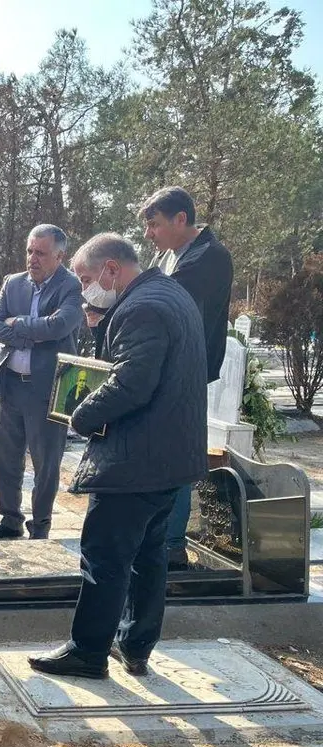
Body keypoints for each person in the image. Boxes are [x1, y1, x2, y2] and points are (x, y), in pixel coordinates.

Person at [28, 233, 206, 679]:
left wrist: (80, 415)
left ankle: (88, 651)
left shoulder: (141, 307)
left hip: (134, 460)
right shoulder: (170, 293)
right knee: (148, 556)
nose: (84, 288)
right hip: (169, 457)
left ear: (111, 268)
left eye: (85, 278)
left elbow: (132, 383)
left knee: (104, 556)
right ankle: (136, 645)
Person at [140, 187, 234, 570]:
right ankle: (160, 538)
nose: (149, 234)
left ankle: (172, 546)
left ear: (181, 219)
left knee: (177, 455)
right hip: (167, 369)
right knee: (161, 454)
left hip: (187, 371)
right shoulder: (169, 254)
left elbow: (165, 303)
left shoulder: (210, 256)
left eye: (154, 224)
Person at [0, 225, 83, 541]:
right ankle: (10, 519)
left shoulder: (70, 285)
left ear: (59, 256)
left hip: (49, 388)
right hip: (11, 385)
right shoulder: (13, 284)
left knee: (45, 462)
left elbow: (60, 325)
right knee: (5, 458)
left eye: (41, 253)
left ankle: (40, 525)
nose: (32, 259)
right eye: (29, 251)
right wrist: (31, 335)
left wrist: (18, 324)